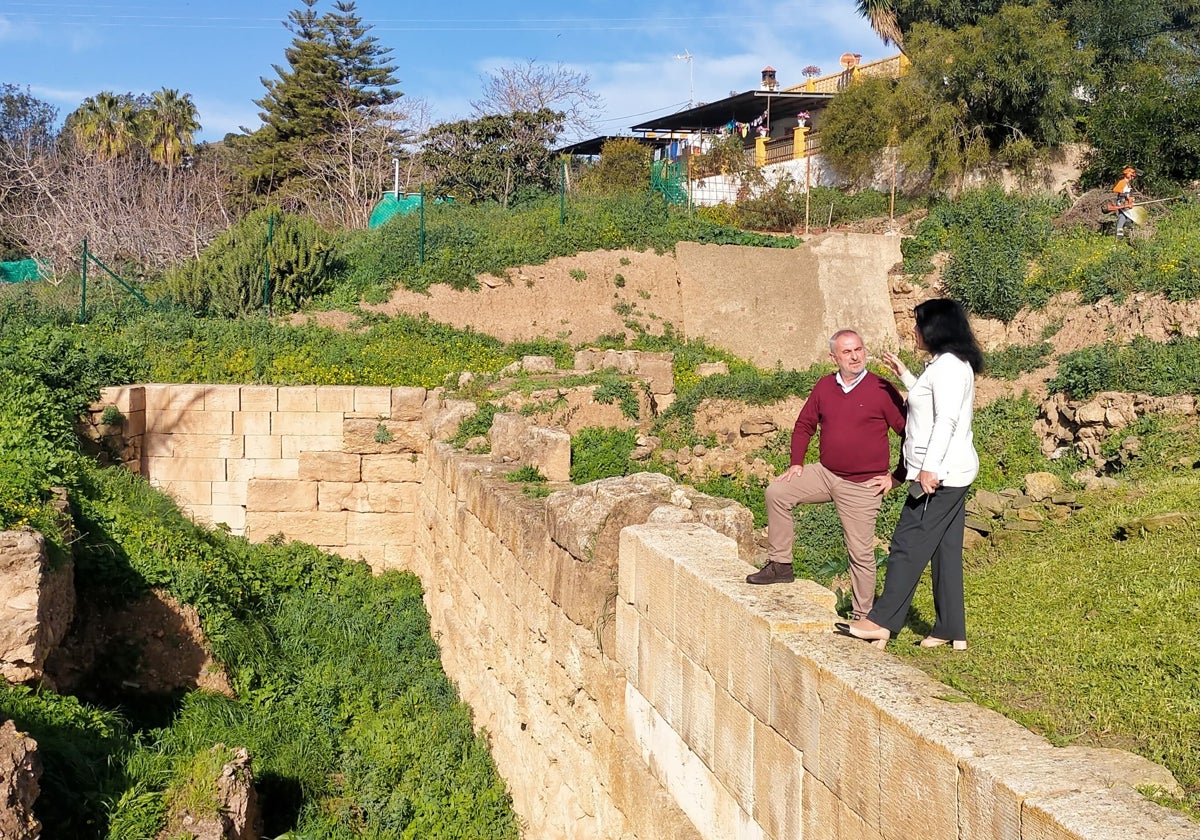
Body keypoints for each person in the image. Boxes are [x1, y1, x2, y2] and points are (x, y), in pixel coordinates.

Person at [836, 299, 983, 650]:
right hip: (954, 469)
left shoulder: (947, 366)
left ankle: (880, 621)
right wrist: (904, 374)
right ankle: (951, 628)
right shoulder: (946, 364)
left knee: (905, 544)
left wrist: (929, 469)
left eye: (918, 325)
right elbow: (930, 402)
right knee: (945, 550)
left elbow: (945, 420)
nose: (913, 330)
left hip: (941, 475)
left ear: (935, 328)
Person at [747, 329, 906, 622]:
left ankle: (863, 618)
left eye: (859, 349)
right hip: (825, 473)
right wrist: (796, 463)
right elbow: (804, 425)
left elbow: (910, 433)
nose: (855, 356)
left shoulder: (882, 389)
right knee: (777, 493)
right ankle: (781, 565)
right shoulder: (824, 387)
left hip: (863, 484)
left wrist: (897, 476)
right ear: (834, 357)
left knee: (860, 553)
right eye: (847, 352)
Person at [1111, 166, 1139, 240]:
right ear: (1128, 175)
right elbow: (1116, 191)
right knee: (1123, 215)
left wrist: (1130, 198)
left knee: (1128, 216)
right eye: (1132, 176)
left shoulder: (1127, 183)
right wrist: (1127, 196)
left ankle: (1125, 230)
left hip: (1126, 202)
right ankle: (1119, 232)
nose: (1133, 178)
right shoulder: (1122, 182)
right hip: (1122, 202)